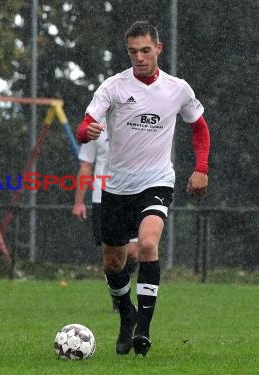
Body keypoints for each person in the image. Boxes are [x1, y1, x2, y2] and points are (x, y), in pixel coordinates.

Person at [76, 21, 210, 357]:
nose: (139, 57)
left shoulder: (178, 89)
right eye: (133, 51)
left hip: (156, 182)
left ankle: (143, 330)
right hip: (116, 187)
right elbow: (84, 125)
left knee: (148, 243)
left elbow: (200, 129)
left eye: (145, 50)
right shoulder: (114, 87)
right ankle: (126, 315)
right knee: (112, 262)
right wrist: (85, 133)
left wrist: (201, 168)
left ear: (158, 49)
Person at [72, 126, 138, 313]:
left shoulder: (135, 121)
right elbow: (86, 166)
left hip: (132, 195)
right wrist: (79, 202)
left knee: (133, 253)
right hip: (103, 198)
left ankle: (119, 289)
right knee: (112, 258)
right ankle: (120, 301)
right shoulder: (95, 128)